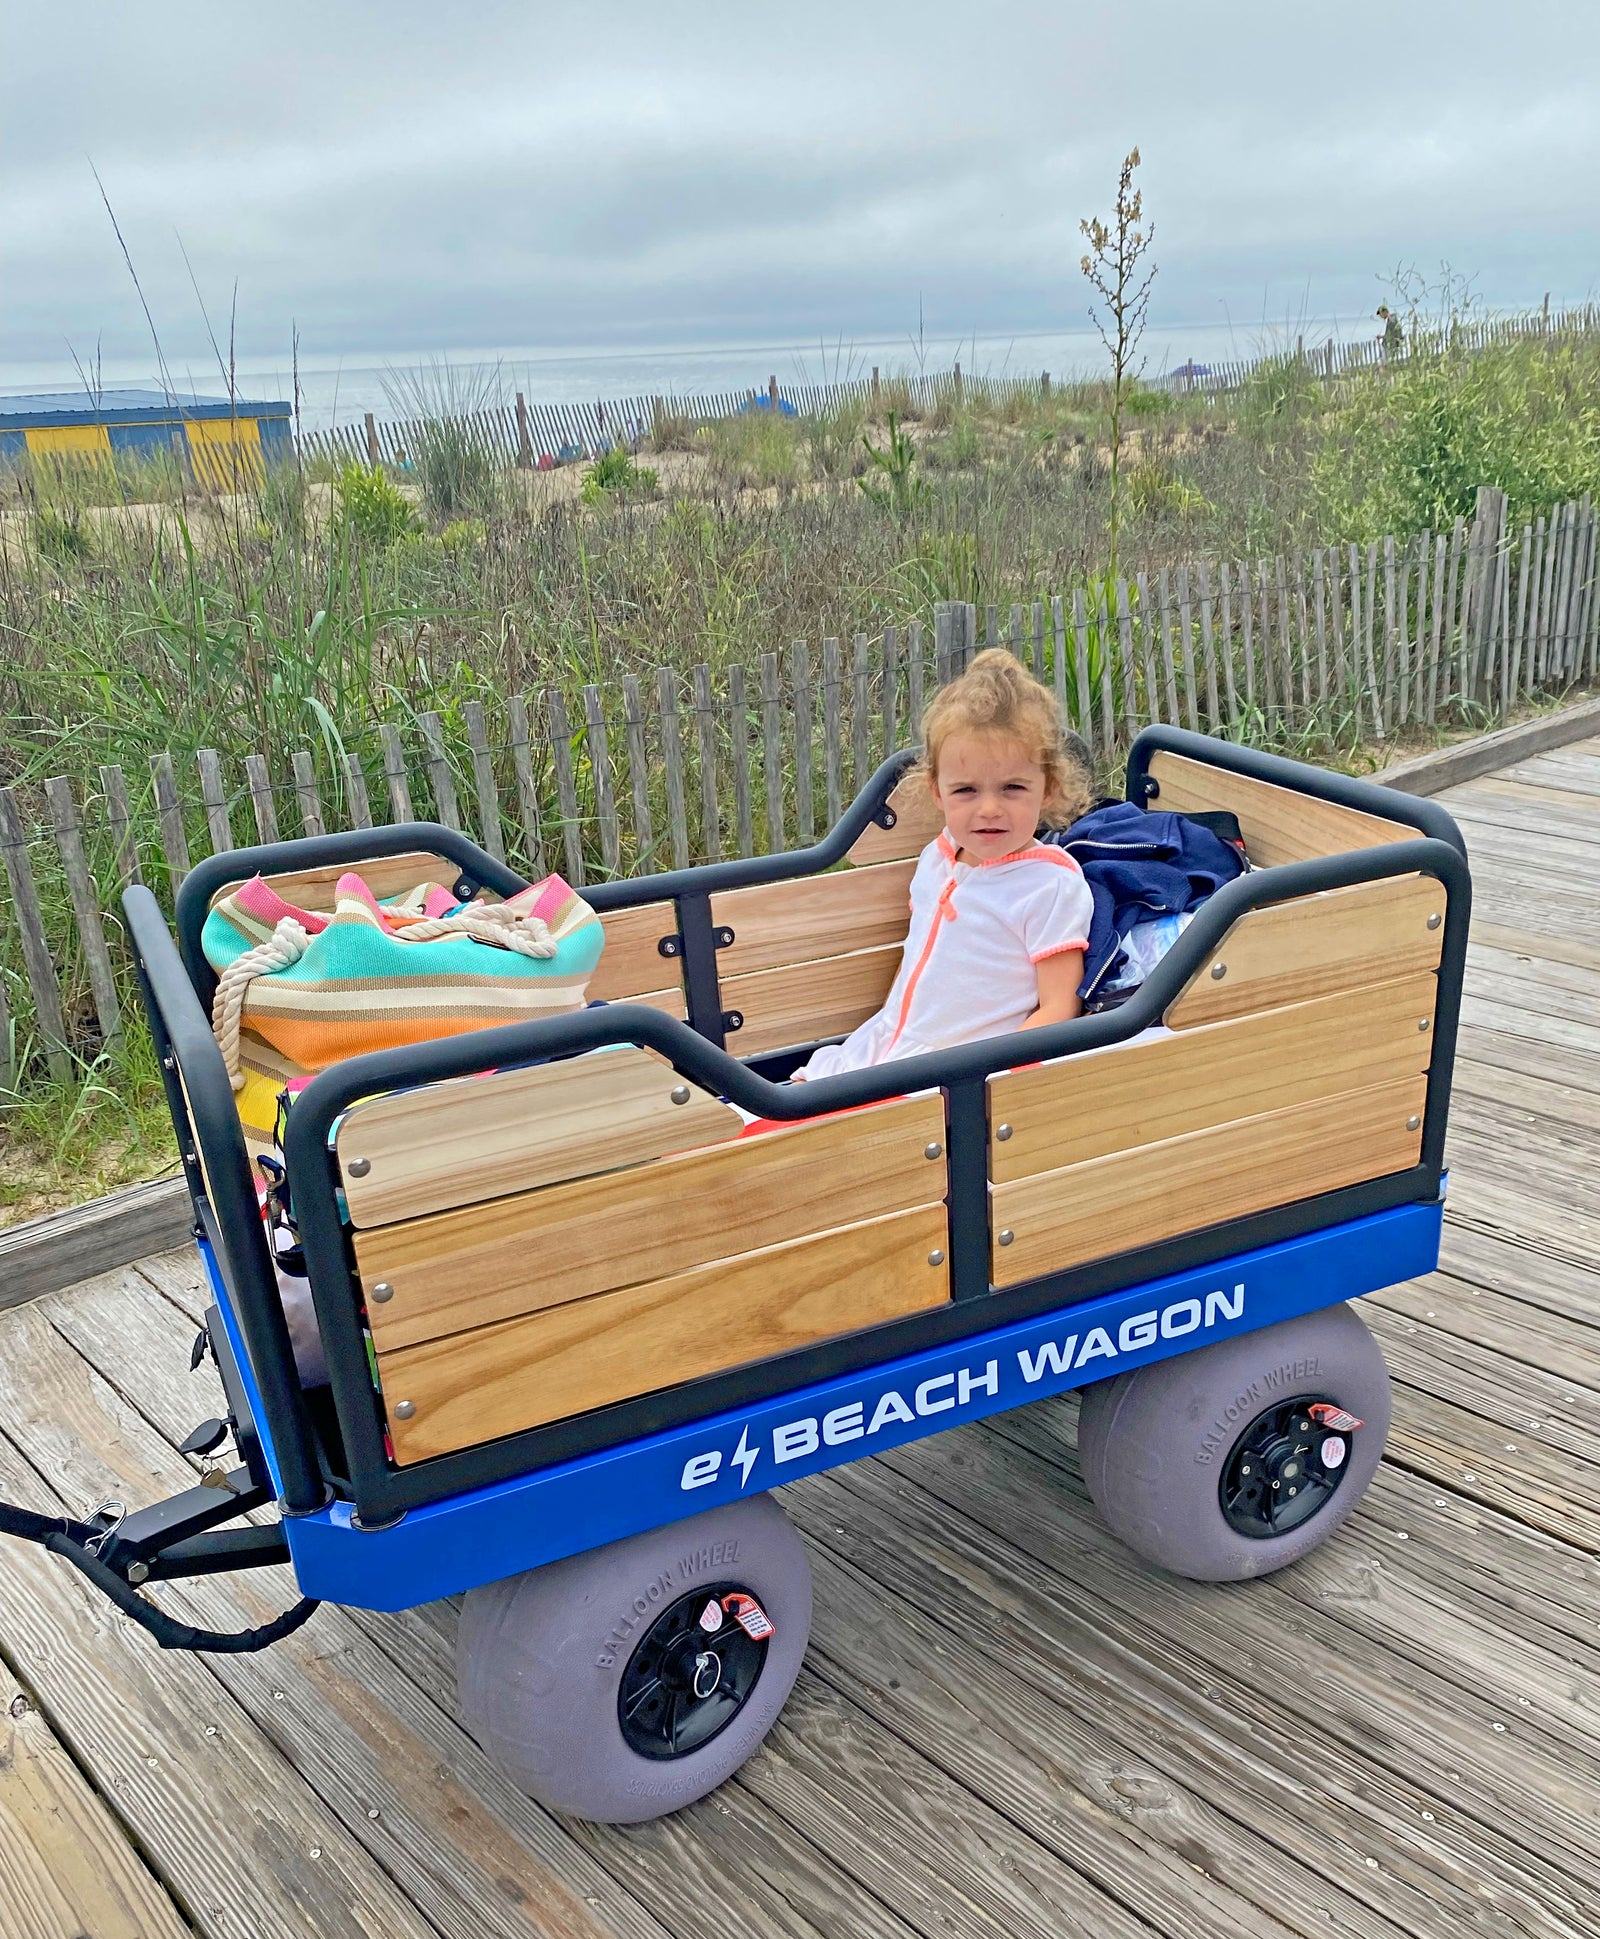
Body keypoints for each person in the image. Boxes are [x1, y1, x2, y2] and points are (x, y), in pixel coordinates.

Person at [795, 649, 1094, 1080]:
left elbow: (1059, 1007)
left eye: (1013, 788)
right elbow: (915, 962)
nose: (989, 808)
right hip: (882, 1045)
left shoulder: (1049, 886)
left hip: (957, 1074)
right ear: (937, 791)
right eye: (966, 791)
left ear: (1047, 789)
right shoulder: (935, 858)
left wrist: (991, 1082)